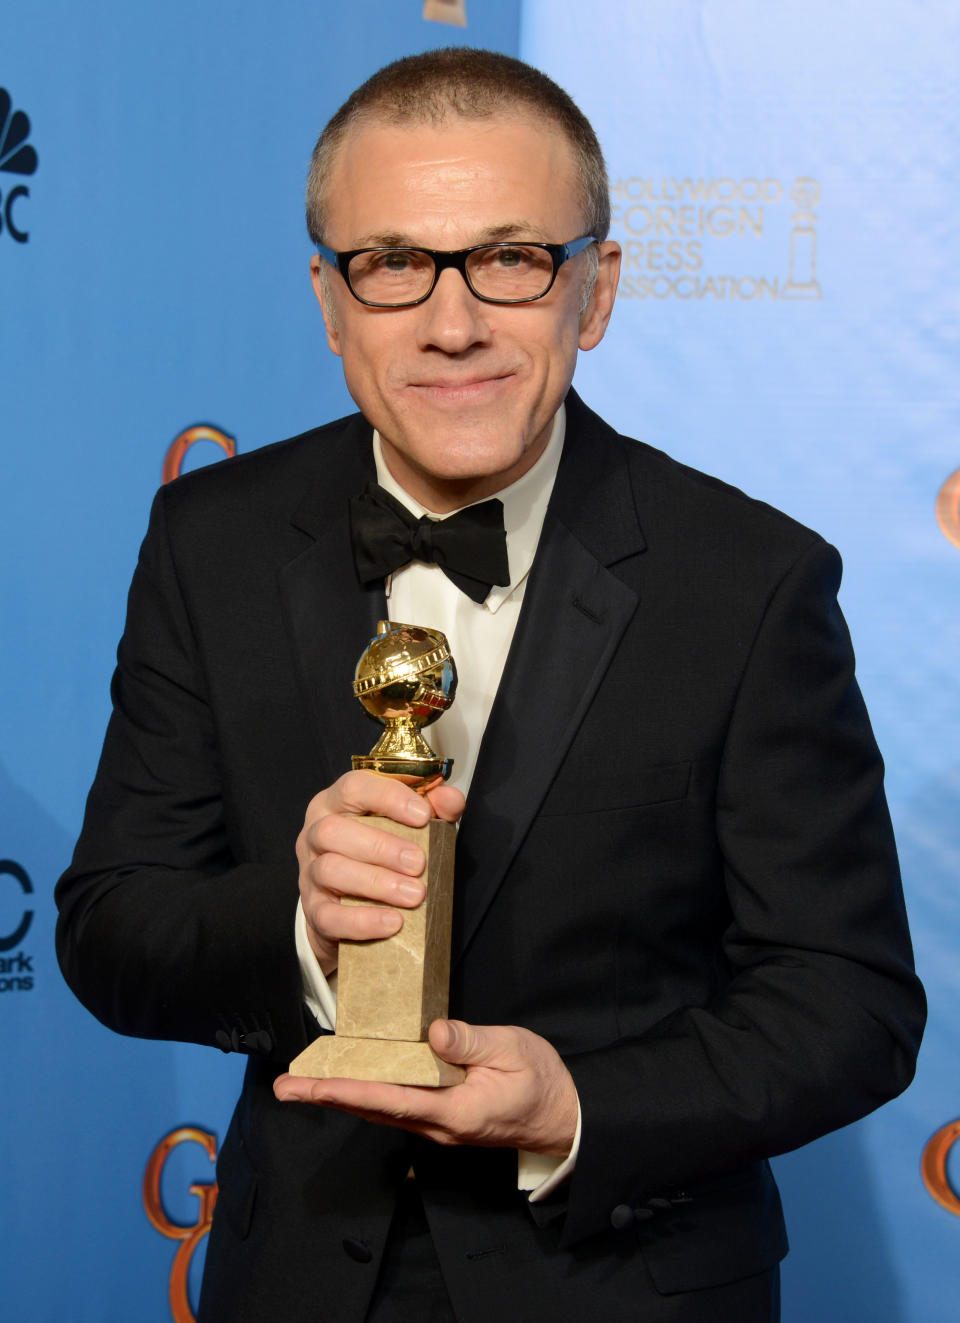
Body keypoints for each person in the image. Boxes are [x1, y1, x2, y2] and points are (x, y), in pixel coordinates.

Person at [56, 47, 924, 1323]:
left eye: (511, 259)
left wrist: (577, 1105)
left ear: (598, 289)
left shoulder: (748, 580)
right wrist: (302, 925)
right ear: (329, 299)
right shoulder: (210, 541)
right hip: (293, 1280)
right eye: (395, 262)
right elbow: (112, 925)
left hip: (622, 1284)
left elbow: (848, 1000)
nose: (451, 321)